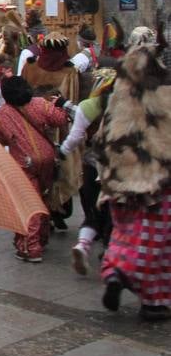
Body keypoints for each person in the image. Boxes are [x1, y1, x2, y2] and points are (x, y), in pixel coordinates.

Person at [91, 45, 171, 321]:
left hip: (121, 186)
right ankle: (154, 300)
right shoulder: (164, 99)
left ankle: (115, 271)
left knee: (124, 234)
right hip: (158, 187)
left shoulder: (118, 101)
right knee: (157, 245)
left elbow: (102, 142)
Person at [0, 76, 69, 262]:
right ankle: (42, 238)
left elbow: (3, 140)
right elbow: (61, 119)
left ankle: (31, 247)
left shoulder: (2, 114)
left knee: (28, 203)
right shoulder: (39, 104)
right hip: (48, 158)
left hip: (24, 162)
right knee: (43, 198)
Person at [61, 70, 116, 275]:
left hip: (91, 164)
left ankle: (83, 245)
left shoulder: (88, 106)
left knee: (92, 212)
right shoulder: (129, 106)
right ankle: (110, 252)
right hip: (117, 168)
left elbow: (75, 137)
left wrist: (62, 151)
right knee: (113, 212)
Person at [21, 32, 79, 105]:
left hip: (40, 111)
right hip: (38, 111)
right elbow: (72, 100)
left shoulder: (30, 65)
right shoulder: (70, 71)